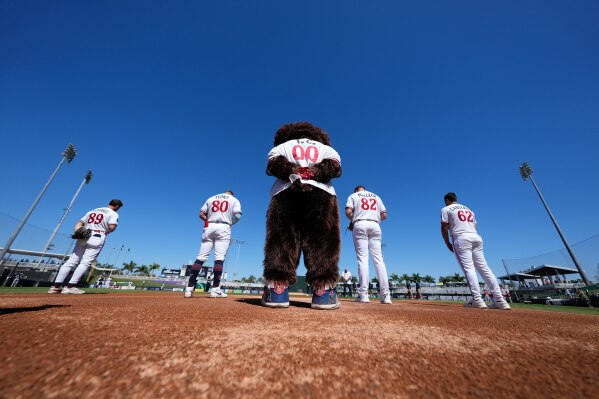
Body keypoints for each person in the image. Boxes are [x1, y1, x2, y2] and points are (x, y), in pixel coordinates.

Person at [440, 192, 510, 310]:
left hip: (461, 237)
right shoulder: (469, 209)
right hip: (476, 237)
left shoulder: (446, 208)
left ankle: (477, 299)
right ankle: (499, 299)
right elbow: (475, 225)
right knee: (485, 269)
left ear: (447, 199)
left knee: (469, 268)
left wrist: (447, 243)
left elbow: (444, 227)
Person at [48, 199, 123, 294]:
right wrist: (105, 232)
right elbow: (112, 226)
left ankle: (55, 286)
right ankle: (71, 286)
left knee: (71, 260)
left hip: (84, 235)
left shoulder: (93, 210)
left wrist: (77, 232)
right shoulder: (113, 213)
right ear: (117, 206)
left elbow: (79, 223)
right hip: (97, 236)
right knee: (85, 262)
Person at [184, 190, 242, 299]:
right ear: (232, 194)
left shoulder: (211, 198)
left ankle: (189, 289)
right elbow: (238, 215)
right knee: (219, 258)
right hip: (224, 226)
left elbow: (201, 214)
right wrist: (230, 223)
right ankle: (215, 289)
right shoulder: (234, 200)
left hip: (209, 226)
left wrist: (209, 221)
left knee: (201, 257)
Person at [345, 185, 392, 304]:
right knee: (379, 260)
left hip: (360, 224)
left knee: (363, 259)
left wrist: (354, 221)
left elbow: (348, 211)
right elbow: (384, 215)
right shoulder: (376, 196)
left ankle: (364, 294)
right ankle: (386, 295)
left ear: (356, 190)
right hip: (375, 225)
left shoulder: (353, 196)